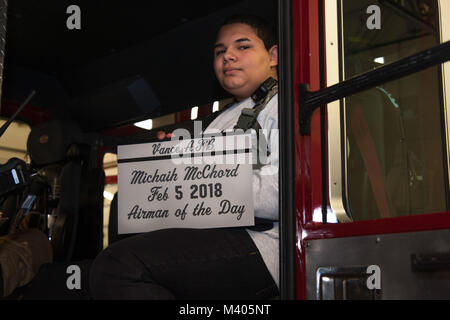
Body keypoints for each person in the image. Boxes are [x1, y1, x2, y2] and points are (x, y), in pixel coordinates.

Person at [89, 14, 280, 300]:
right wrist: (167, 165)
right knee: (122, 220)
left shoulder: (284, 106)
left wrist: (201, 177)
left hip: (260, 243)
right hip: (212, 234)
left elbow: (283, 194)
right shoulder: (219, 121)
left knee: (118, 267)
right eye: (219, 52)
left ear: (273, 55)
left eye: (242, 47)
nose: (227, 56)